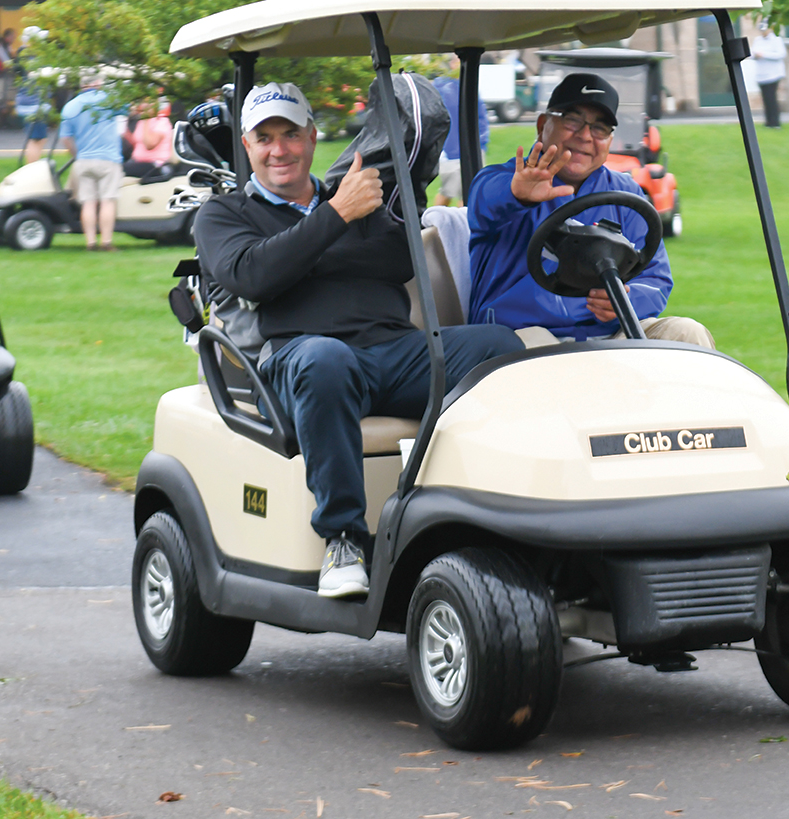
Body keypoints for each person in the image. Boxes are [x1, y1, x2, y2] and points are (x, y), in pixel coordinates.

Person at [195, 82, 523, 599]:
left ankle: (494, 516)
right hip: (300, 358)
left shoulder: (358, 194)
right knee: (326, 359)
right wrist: (336, 218)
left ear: (312, 137)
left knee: (499, 348)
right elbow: (253, 275)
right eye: (265, 138)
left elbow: (397, 261)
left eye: (290, 135)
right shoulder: (225, 214)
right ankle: (343, 539)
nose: (279, 150)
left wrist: (305, 249)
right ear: (247, 146)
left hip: (392, 353)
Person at [469, 73, 714, 348]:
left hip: (610, 337)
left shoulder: (626, 193)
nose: (585, 136)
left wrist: (628, 299)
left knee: (687, 333)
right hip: (525, 334)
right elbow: (485, 205)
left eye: (600, 128)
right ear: (542, 125)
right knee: (531, 347)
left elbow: (655, 278)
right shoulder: (502, 181)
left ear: (610, 139)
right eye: (572, 121)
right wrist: (517, 195)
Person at [61, 73, 123, 251]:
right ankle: (106, 242)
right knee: (107, 201)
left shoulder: (70, 107)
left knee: (88, 202)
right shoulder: (109, 100)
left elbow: (65, 138)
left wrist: (77, 154)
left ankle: (90, 242)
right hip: (108, 159)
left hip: (84, 160)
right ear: (97, 82)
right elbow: (129, 110)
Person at [432, 56, 491, 206]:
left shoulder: (470, 87)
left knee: (468, 193)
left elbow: (481, 116)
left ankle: (463, 219)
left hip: (472, 149)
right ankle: (434, 218)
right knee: (448, 192)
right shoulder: (442, 87)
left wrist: (481, 143)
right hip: (450, 152)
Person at [749, 21, 787, 129]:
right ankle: (768, 121)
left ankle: (775, 122)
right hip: (761, 74)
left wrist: (764, 55)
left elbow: (781, 54)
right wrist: (755, 55)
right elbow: (752, 53)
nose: (763, 32)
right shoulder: (758, 40)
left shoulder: (776, 40)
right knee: (766, 99)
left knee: (771, 98)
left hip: (773, 74)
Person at [124, 100, 174, 179]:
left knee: (122, 169)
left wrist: (146, 119)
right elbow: (136, 143)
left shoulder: (162, 122)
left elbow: (149, 144)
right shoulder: (141, 122)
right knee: (119, 166)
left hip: (155, 164)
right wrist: (125, 127)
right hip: (137, 161)